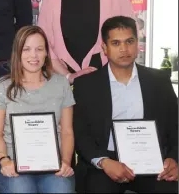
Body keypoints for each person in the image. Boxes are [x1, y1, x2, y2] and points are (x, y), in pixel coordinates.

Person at [73, 16, 178, 193]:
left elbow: (176, 125)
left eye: (129, 41)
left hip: (152, 162)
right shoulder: (86, 85)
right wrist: (103, 162)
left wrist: (174, 159)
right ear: (104, 48)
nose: (124, 49)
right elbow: (80, 134)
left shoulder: (159, 81)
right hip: (106, 163)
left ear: (137, 45)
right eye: (116, 43)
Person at [0, 26, 75, 193]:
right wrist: (4, 160)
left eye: (39, 49)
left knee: (61, 190)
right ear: (17, 53)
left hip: (53, 165)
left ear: (46, 53)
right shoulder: (3, 87)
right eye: (27, 49)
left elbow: (66, 131)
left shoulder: (61, 84)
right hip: (14, 165)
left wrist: (65, 162)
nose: (33, 56)